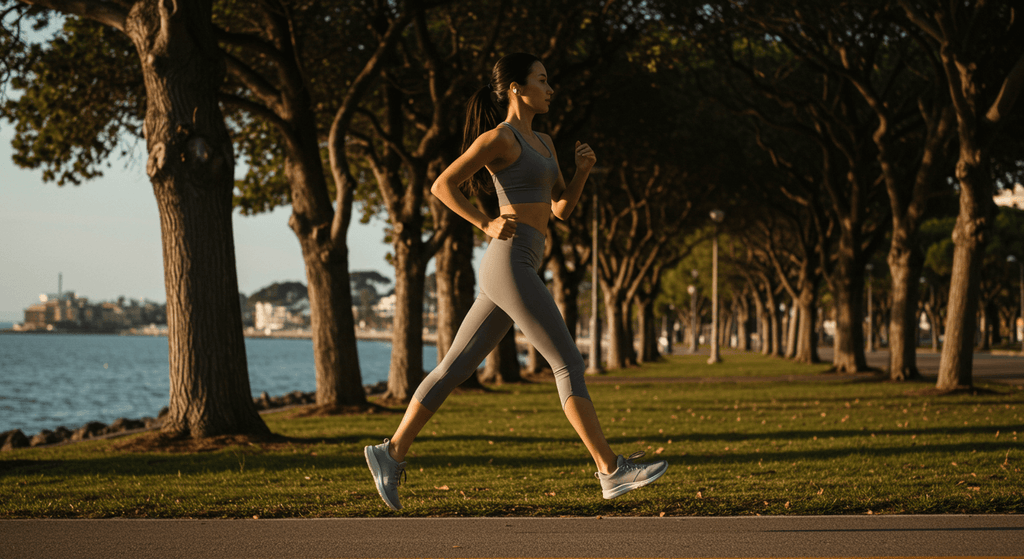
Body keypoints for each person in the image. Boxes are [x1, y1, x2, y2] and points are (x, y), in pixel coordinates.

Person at [364, 53, 667, 511]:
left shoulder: (544, 141)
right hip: (508, 262)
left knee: (454, 369)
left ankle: (390, 453)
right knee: (567, 361)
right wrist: (483, 223)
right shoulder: (499, 139)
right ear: (516, 89)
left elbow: (560, 210)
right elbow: (443, 185)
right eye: (542, 81)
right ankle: (610, 469)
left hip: (522, 260)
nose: (550, 89)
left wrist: (582, 171)